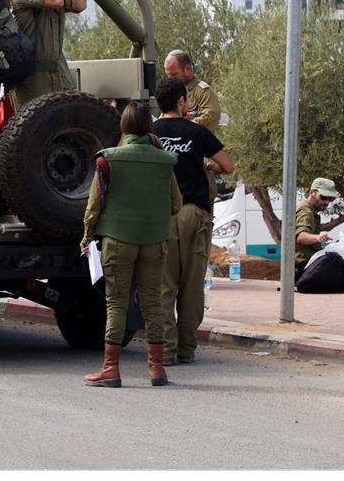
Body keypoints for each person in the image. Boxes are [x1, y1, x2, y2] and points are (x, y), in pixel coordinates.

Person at [81, 101, 182, 388]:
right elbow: (176, 204)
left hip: (117, 240)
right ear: (149, 127)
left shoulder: (108, 160)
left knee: (116, 304)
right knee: (153, 303)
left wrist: (88, 235)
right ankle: (157, 369)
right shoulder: (165, 161)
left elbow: (94, 205)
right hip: (154, 241)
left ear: (123, 127)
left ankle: (111, 369)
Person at [153, 77, 236, 365]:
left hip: (159, 216)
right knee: (190, 285)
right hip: (194, 215)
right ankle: (187, 348)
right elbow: (228, 165)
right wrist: (207, 163)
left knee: (163, 285)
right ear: (181, 102)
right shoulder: (197, 133)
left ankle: (166, 351)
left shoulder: (150, 132)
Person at [8, 0, 87, 109]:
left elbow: (79, 4)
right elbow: (55, 0)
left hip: (59, 71)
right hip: (34, 77)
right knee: (37, 125)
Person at [163, 50, 220, 133]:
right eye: (168, 75)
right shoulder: (170, 93)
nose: (170, 79)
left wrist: (181, 125)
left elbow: (210, 119)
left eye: (174, 75)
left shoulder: (203, 91)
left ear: (187, 69)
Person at [294, 178, 339, 279]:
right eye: (323, 197)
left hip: (308, 267)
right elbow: (301, 237)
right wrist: (317, 237)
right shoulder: (306, 212)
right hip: (304, 268)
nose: (327, 202)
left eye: (330, 199)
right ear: (312, 193)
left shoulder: (312, 212)